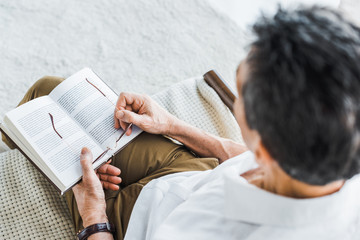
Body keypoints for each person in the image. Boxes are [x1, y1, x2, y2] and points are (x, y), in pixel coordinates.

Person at [3, 6, 360, 240]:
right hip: (191, 174)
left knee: (38, 111)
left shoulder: (209, 232)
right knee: (49, 90)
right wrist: (172, 125)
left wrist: (93, 216)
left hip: (132, 225)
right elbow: (246, 159)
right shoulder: (335, 157)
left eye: (241, 97)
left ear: (265, 145)